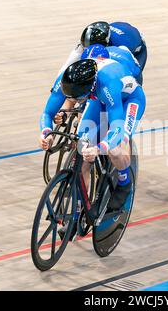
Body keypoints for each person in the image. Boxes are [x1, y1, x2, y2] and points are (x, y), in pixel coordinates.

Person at [39, 58, 145, 233]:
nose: (74, 101)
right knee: (81, 148)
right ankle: (77, 212)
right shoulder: (67, 78)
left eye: (77, 98)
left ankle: (124, 184)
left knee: (114, 148)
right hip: (98, 100)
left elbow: (117, 127)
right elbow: (47, 112)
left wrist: (99, 148)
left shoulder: (107, 83)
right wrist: (45, 133)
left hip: (129, 101)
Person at [58, 21, 147, 84]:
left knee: (128, 79)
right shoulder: (89, 38)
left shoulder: (122, 46)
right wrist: (59, 83)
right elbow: (69, 63)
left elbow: (125, 70)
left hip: (136, 52)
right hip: (123, 30)